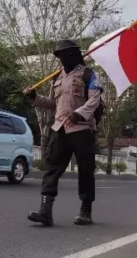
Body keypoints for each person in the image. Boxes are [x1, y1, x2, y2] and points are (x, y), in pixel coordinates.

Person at [23, 40, 102, 226]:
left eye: (66, 54)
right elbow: (53, 104)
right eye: (59, 55)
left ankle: (85, 211)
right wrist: (34, 98)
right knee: (52, 169)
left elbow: (94, 101)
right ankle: (45, 211)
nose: (62, 58)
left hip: (82, 129)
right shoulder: (56, 77)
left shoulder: (89, 74)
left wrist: (78, 114)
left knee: (85, 170)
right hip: (59, 129)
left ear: (75, 54)